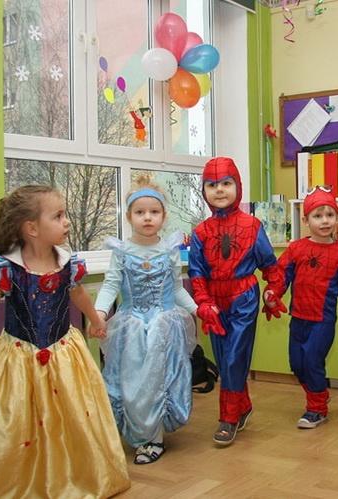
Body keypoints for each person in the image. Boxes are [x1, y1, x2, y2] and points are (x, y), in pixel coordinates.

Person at [0, 185, 130, 498]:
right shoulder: (6, 268)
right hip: (19, 358)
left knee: (72, 415)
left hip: (64, 353)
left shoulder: (68, 264)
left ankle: (72, 477)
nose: (67, 222)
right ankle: (22, 483)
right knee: (17, 421)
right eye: (58, 216)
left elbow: (79, 294)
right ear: (32, 228)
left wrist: (95, 319)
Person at [94, 180, 197, 464]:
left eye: (154, 212)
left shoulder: (170, 249)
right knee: (132, 382)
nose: (147, 217)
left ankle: (154, 439)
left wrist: (197, 310)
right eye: (140, 212)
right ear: (129, 217)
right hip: (132, 327)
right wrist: (99, 313)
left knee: (157, 382)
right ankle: (139, 433)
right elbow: (110, 285)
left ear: (163, 216)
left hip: (164, 326)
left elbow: (176, 289)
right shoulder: (121, 251)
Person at [188, 156, 285, 446]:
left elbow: (270, 265)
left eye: (226, 183)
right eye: (212, 185)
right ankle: (243, 406)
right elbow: (196, 273)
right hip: (214, 302)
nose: (219, 190)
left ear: (238, 186)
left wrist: (274, 291)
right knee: (224, 359)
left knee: (234, 357)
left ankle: (228, 418)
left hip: (243, 296)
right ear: (204, 191)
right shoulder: (200, 232)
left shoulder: (252, 226)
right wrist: (203, 302)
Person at [271, 186, 338, 429]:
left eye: (330, 215)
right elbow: (281, 275)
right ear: (306, 220)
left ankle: (317, 408)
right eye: (318, 215)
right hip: (298, 318)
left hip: (323, 321)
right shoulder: (295, 249)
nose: (324, 221)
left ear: (337, 218)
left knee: (312, 360)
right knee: (297, 364)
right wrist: (273, 293)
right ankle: (319, 392)